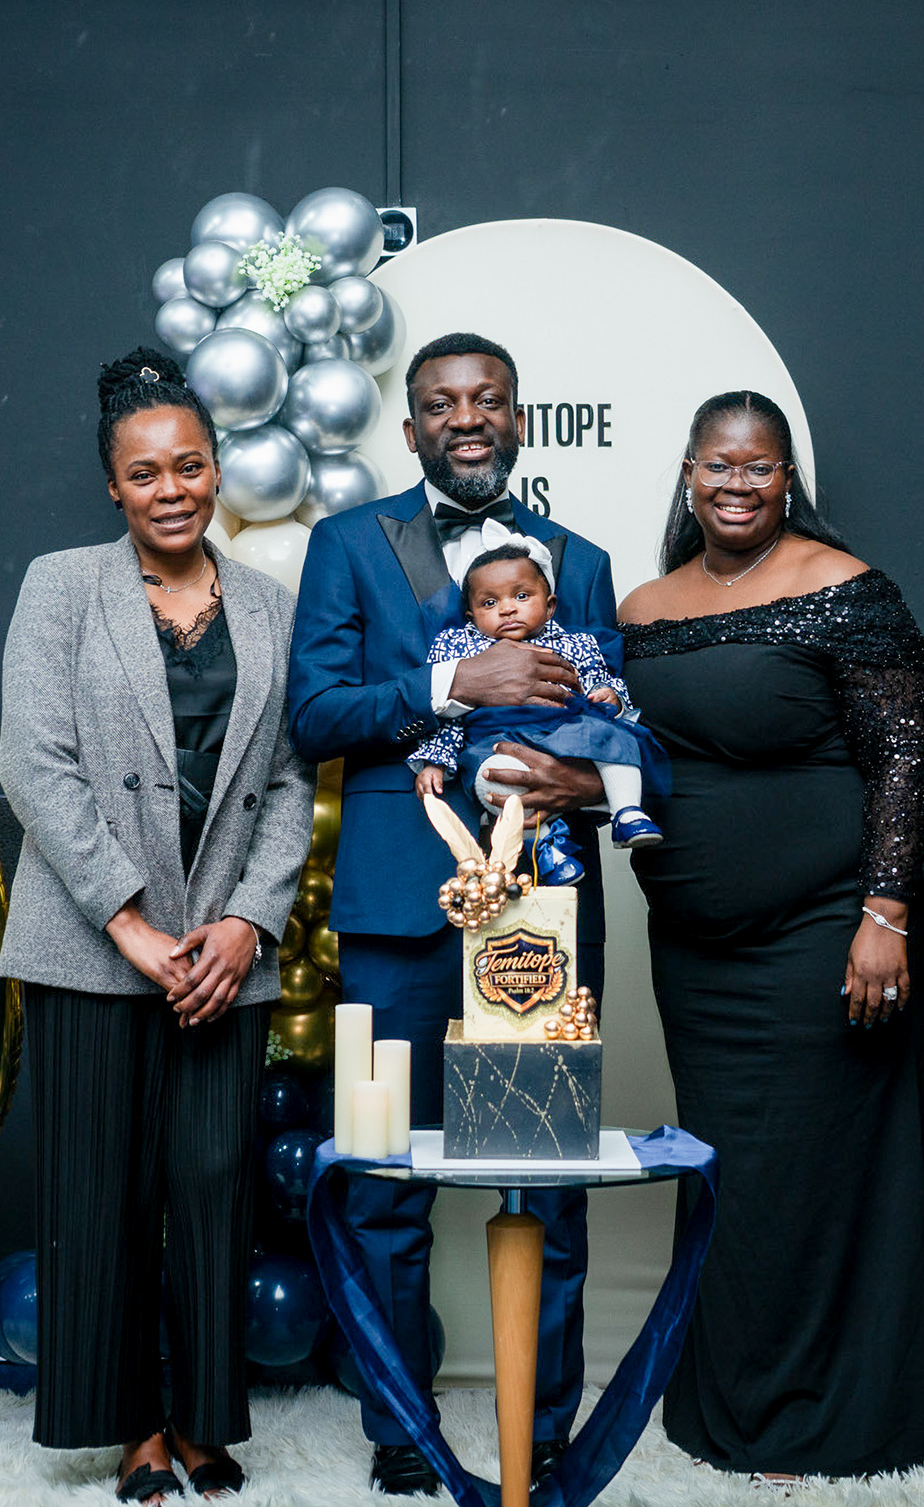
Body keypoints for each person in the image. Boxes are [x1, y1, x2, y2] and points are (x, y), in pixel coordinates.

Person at [286, 332, 617, 1496]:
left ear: (518, 419)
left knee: (545, 1186)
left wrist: (583, 780)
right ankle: (399, 1433)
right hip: (397, 915)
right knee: (385, 1181)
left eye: (487, 400)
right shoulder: (347, 544)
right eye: (441, 403)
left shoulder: (578, 562)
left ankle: (544, 1431)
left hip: (540, 915)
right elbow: (314, 715)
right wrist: (448, 685)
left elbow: (614, 726)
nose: (465, 418)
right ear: (412, 425)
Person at [617, 390, 924, 1480]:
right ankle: (732, 1407)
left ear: (787, 478)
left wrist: (885, 913)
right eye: (717, 464)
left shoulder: (840, 588)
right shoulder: (645, 604)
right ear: (688, 474)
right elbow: (637, 759)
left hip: (825, 931)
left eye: (758, 466)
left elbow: (907, 757)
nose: (736, 483)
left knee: (812, 1170)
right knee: (731, 1172)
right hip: (696, 954)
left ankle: (827, 1419)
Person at [0, 348, 316, 1504]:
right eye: (145, 473)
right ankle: (130, 1424)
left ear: (216, 469)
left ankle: (202, 1421)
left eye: (189, 465)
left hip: (222, 956)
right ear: (114, 486)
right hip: (91, 948)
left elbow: (292, 782)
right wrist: (127, 924)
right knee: (101, 1195)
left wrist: (247, 923)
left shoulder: (273, 607)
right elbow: (33, 763)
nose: (170, 489)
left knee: (215, 1186)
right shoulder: (61, 586)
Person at [410, 533, 666, 884]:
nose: (507, 609)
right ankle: (543, 843)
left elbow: (600, 679)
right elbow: (448, 713)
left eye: (521, 596)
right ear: (470, 616)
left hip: (566, 729)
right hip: (495, 737)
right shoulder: (461, 647)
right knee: (493, 776)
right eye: (489, 603)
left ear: (550, 605)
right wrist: (435, 760)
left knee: (612, 736)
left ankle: (627, 812)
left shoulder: (575, 643)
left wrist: (611, 696)